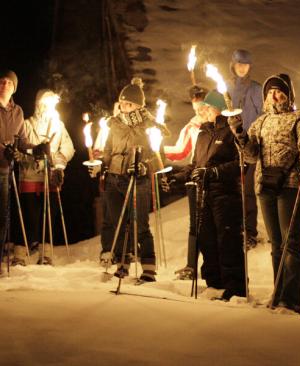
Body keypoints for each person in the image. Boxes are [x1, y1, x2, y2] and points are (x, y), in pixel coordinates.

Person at [232, 74, 300, 313]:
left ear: (288, 94)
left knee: (290, 241)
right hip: (265, 185)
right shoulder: (260, 122)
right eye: (270, 92)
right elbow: (250, 154)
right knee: (276, 243)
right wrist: (240, 134)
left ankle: (292, 298)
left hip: (289, 184)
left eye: (279, 91)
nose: (274, 95)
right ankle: (278, 290)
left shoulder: (299, 117)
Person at [169, 89, 246, 301]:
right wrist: (178, 177)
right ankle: (214, 283)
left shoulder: (231, 130)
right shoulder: (203, 132)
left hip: (225, 194)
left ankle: (236, 286)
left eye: (208, 108)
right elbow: (196, 163)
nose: (204, 111)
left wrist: (214, 172)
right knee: (207, 239)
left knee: (227, 239)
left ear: (218, 108)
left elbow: (241, 164)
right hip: (204, 194)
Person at [101, 77, 169, 282]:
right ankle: (123, 263)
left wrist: (144, 166)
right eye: (122, 103)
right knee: (118, 223)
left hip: (138, 180)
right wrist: (102, 166)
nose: (124, 107)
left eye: (129, 104)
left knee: (140, 224)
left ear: (138, 105)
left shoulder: (150, 126)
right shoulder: (115, 124)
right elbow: (108, 149)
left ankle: (148, 266)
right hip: (115, 178)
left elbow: (159, 157)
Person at [12, 89, 74, 266]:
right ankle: (20, 252)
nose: (48, 107)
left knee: (49, 214)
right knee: (27, 214)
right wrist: (31, 156)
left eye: (51, 103)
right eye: (44, 103)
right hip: (30, 176)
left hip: (51, 176)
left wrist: (59, 164)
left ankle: (45, 253)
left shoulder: (58, 125)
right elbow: (21, 148)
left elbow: (68, 148)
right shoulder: (27, 124)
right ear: (38, 105)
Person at [0, 70, 46, 268]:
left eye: (9, 83)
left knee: (2, 217)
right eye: (1, 81)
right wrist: (4, 150)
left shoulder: (17, 111)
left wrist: (35, 147)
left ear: (14, 87)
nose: (4, 85)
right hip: (2, 161)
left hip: (3, 170)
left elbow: (22, 140)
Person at [163, 85, 208, 280]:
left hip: (214, 179)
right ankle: (191, 265)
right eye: (196, 108)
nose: (199, 112)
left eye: (203, 107)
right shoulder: (192, 126)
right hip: (194, 177)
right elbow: (180, 151)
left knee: (210, 224)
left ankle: (214, 266)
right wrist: (157, 148)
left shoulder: (220, 122)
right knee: (194, 224)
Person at [227, 49, 263, 248]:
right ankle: (233, 228)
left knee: (248, 190)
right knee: (232, 190)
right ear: (233, 65)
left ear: (250, 67)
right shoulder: (225, 88)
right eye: (238, 64)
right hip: (230, 146)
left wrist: (254, 138)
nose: (241, 68)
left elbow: (263, 114)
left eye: (245, 64)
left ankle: (250, 231)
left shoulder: (256, 89)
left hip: (250, 145)